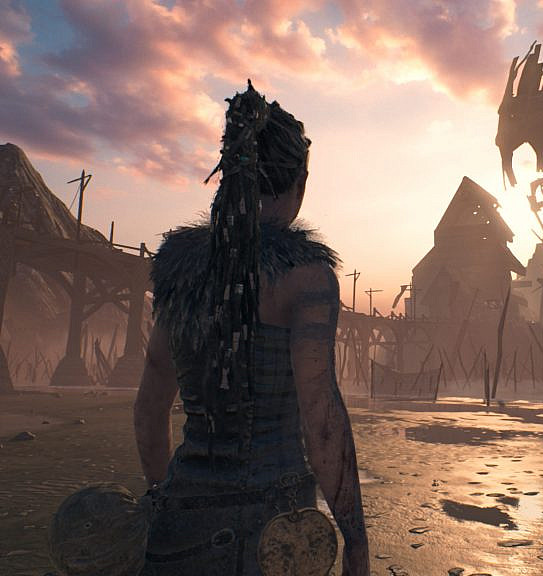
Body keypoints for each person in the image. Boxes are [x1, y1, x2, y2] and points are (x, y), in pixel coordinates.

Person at [134, 82, 369, 575]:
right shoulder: (305, 278)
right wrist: (355, 541)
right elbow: (320, 416)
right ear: (299, 185)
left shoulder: (179, 271)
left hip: (179, 527)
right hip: (276, 531)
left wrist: (161, 496)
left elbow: (151, 403)